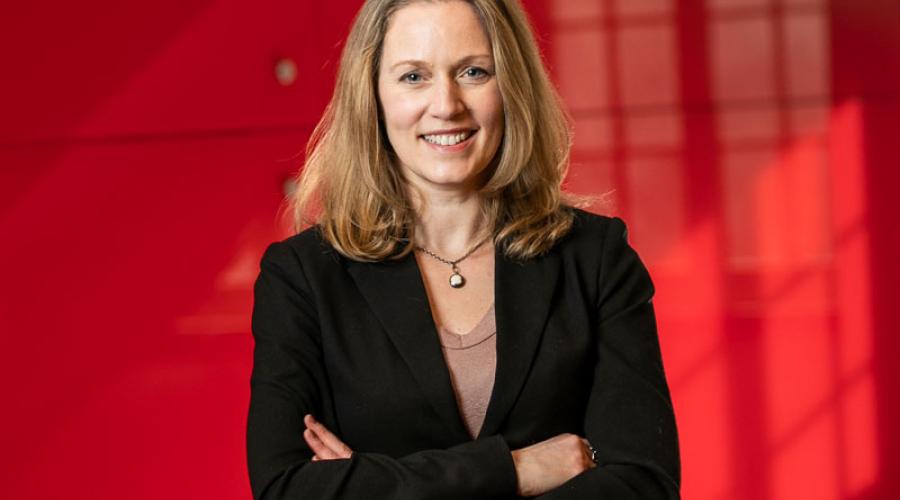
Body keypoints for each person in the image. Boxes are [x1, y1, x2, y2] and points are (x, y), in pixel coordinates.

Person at [246, 0, 680, 498]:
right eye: (414, 77)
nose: (446, 104)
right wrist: (513, 469)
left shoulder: (597, 259)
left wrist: (375, 483)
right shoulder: (302, 279)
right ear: (373, 95)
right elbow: (286, 489)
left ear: (512, 85)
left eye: (474, 72)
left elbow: (644, 485)